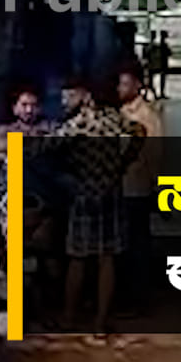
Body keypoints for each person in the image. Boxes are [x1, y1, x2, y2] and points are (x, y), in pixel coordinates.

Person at [54, 77, 145, 340]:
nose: (65, 101)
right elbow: (140, 132)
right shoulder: (114, 119)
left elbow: (51, 145)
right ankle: (100, 322)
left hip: (85, 195)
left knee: (78, 257)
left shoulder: (79, 122)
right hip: (111, 192)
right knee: (107, 259)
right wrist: (124, 163)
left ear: (86, 96)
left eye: (70, 95)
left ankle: (68, 317)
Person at [116, 59, 162, 317]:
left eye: (125, 84)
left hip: (136, 187)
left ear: (138, 85)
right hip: (121, 187)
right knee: (127, 243)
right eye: (119, 83)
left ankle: (139, 297)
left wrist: (154, 186)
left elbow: (155, 155)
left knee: (137, 244)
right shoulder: (120, 113)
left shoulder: (146, 117)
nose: (120, 88)